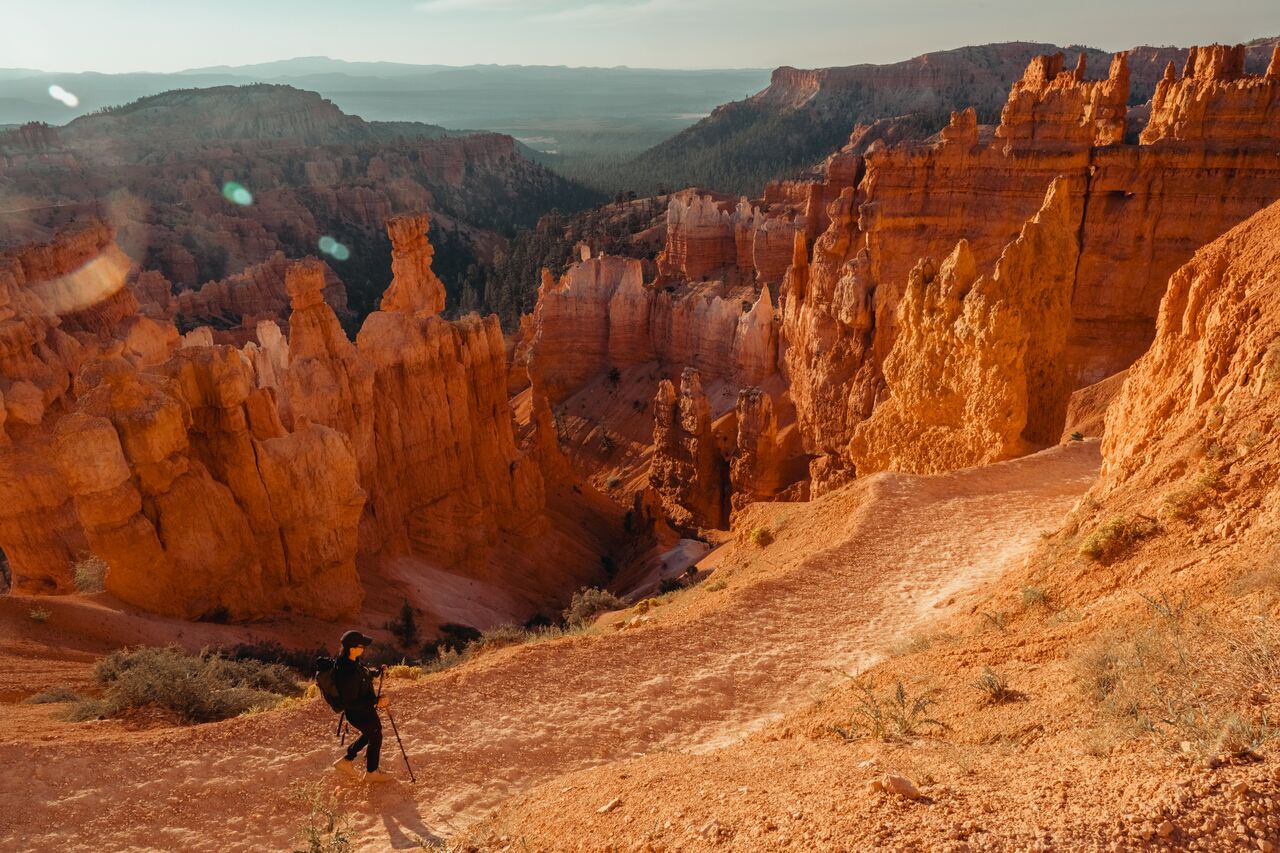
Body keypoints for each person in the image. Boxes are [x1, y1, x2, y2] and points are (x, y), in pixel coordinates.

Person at [331, 630, 393, 783]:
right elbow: (350, 702)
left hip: (364, 710)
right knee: (376, 734)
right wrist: (376, 702)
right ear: (352, 648)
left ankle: (346, 760)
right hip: (359, 713)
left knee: (371, 733)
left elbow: (364, 675)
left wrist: (378, 672)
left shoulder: (352, 661)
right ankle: (372, 772)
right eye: (362, 646)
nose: (364, 648)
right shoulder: (346, 672)